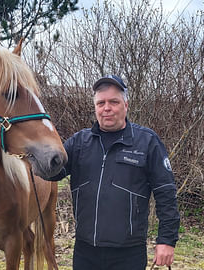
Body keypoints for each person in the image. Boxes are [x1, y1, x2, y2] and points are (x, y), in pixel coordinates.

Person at [48, 75, 180, 269]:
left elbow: (166, 192)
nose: (106, 108)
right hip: (85, 250)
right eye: (101, 103)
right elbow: (52, 173)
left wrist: (166, 240)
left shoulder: (147, 142)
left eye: (113, 102)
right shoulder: (79, 143)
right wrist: (30, 149)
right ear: (95, 108)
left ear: (125, 105)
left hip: (128, 253)